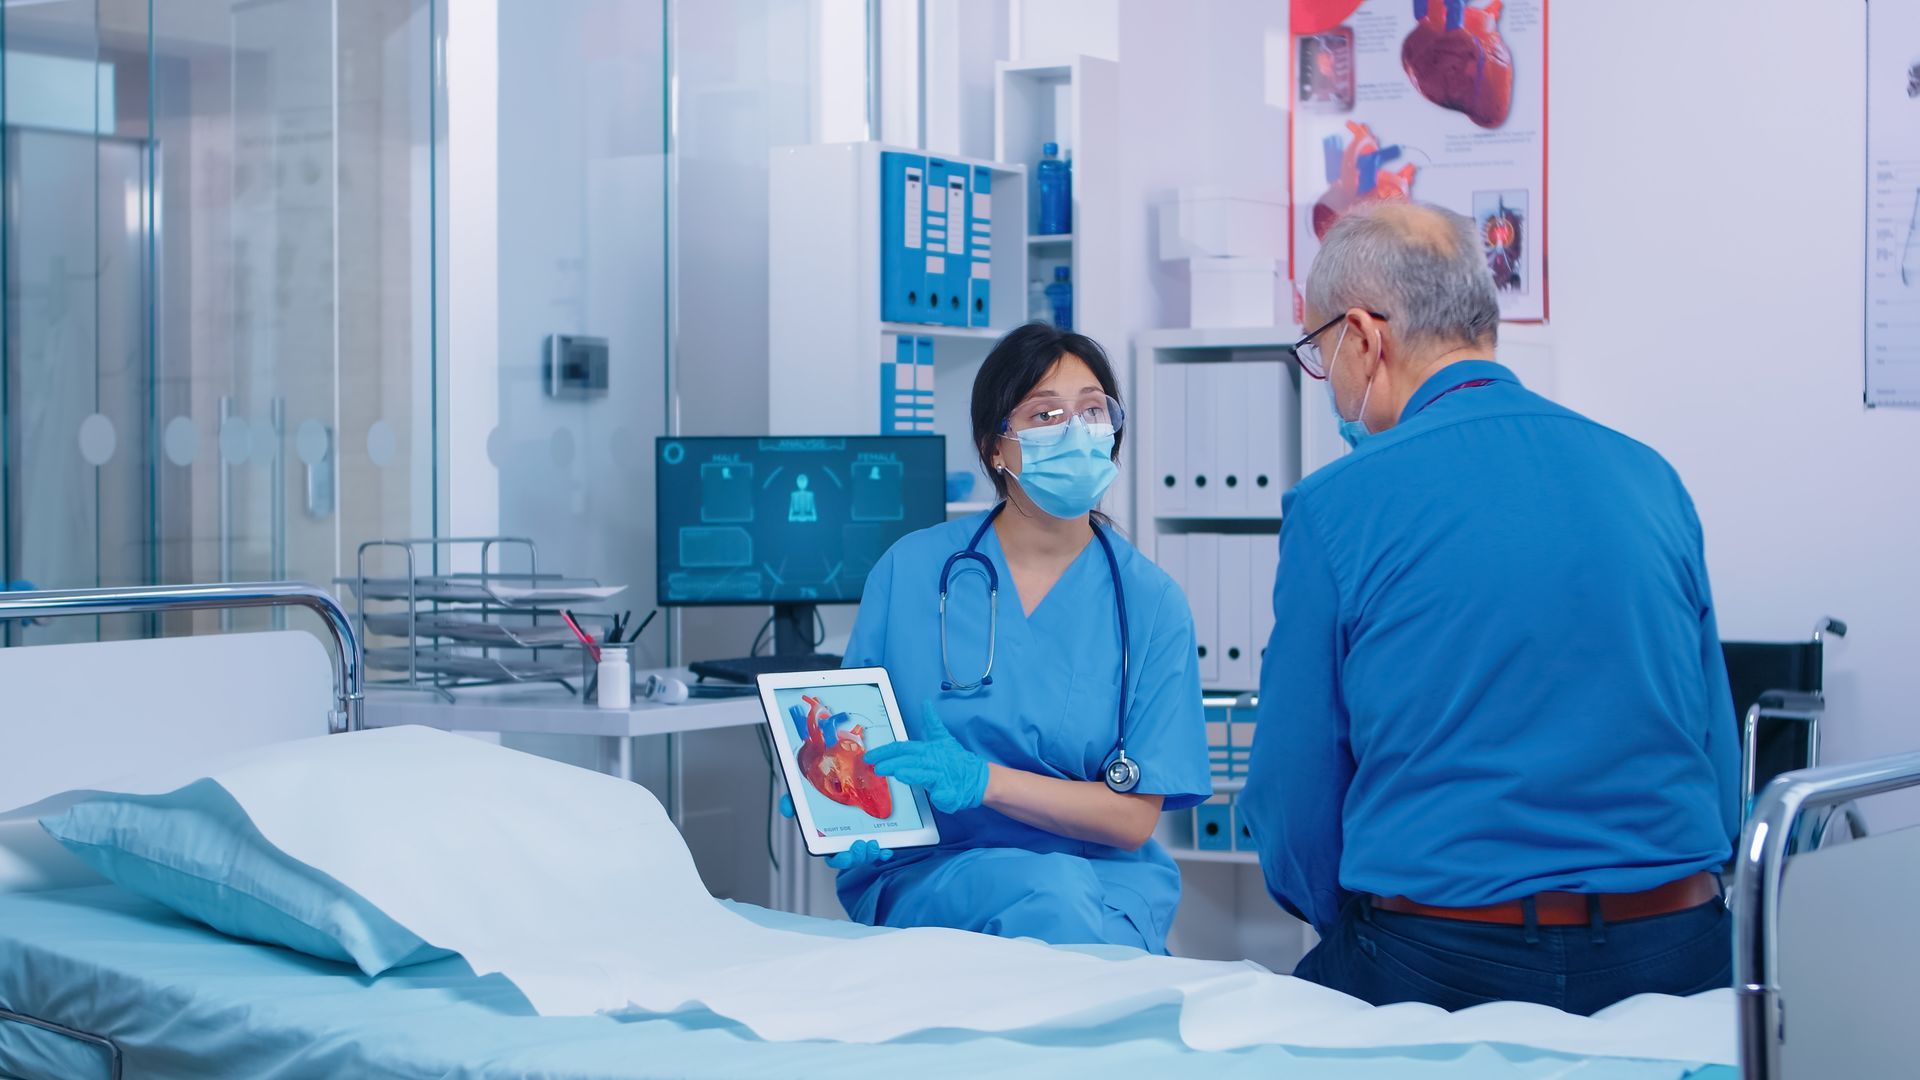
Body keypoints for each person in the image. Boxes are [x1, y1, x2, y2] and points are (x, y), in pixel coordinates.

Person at [1238, 201, 1737, 1015]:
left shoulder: (1337, 508)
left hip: (1443, 961)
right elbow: (1717, 773)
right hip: (1680, 951)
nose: (1329, 381)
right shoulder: (1652, 480)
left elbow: (1293, 804)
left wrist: (1369, 919)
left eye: (1322, 352)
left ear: (1364, 337)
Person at [795, 322, 1210, 953]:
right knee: (1055, 903)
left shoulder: (1150, 604)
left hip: (1105, 884)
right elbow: (856, 743)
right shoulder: (910, 573)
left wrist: (982, 781)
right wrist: (828, 802)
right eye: (1046, 414)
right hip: (937, 873)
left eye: (1093, 411)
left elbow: (1131, 819)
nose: (1076, 431)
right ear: (996, 447)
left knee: (1064, 899)